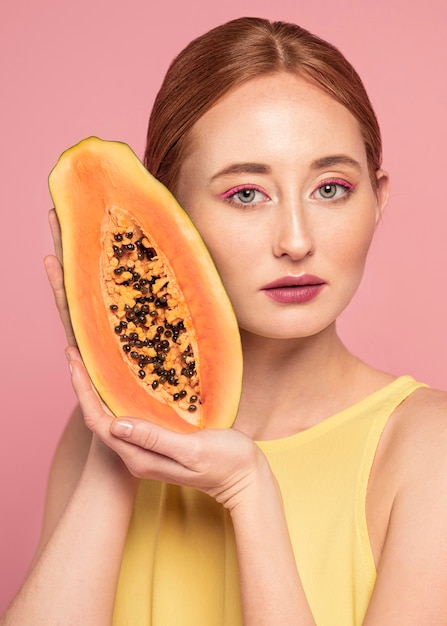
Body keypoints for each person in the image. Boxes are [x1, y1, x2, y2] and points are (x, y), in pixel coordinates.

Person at [2, 16, 447, 626]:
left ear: (378, 199)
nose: (296, 239)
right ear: (167, 214)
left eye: (331, 188)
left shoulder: (429, 452)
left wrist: (250, 494)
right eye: (245, 194)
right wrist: (122, 433)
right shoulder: (94, 440)